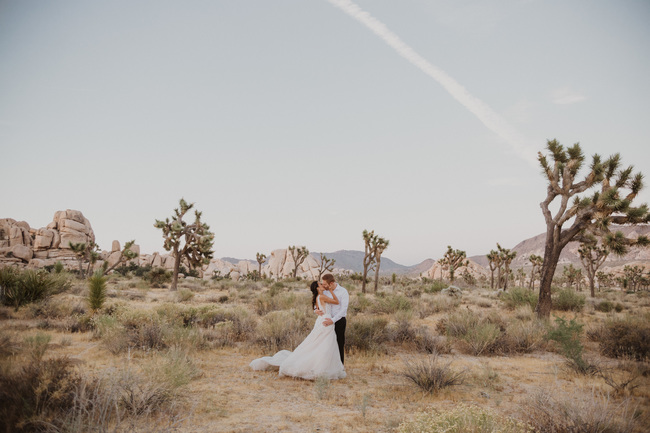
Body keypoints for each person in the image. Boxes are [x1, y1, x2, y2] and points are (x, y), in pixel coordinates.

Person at [249, 281, 346, 380]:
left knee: (321, 344)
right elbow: (336, 301)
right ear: (317, 288)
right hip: (326, 321)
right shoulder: (322, 296)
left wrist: (316, 309)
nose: (323, 285)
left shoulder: (319, 296)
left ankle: (324, 366)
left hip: (323, 320)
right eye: (321, 284)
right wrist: (330, 290)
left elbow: (317, 307)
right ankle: (320, 367)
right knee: (324, 344)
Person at [315, 273, 349, 364]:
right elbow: (318, 301)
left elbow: (343, 309)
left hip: (339, 321)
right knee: (327, 344)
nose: (324, 286)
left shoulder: (343, 291)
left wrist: (333, 320)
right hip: (327, 320)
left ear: (331, 283)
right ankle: (328, 364)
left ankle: (340, 366)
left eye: (325, 284)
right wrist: (316, 310)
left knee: (339, 343)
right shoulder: (325, 291)